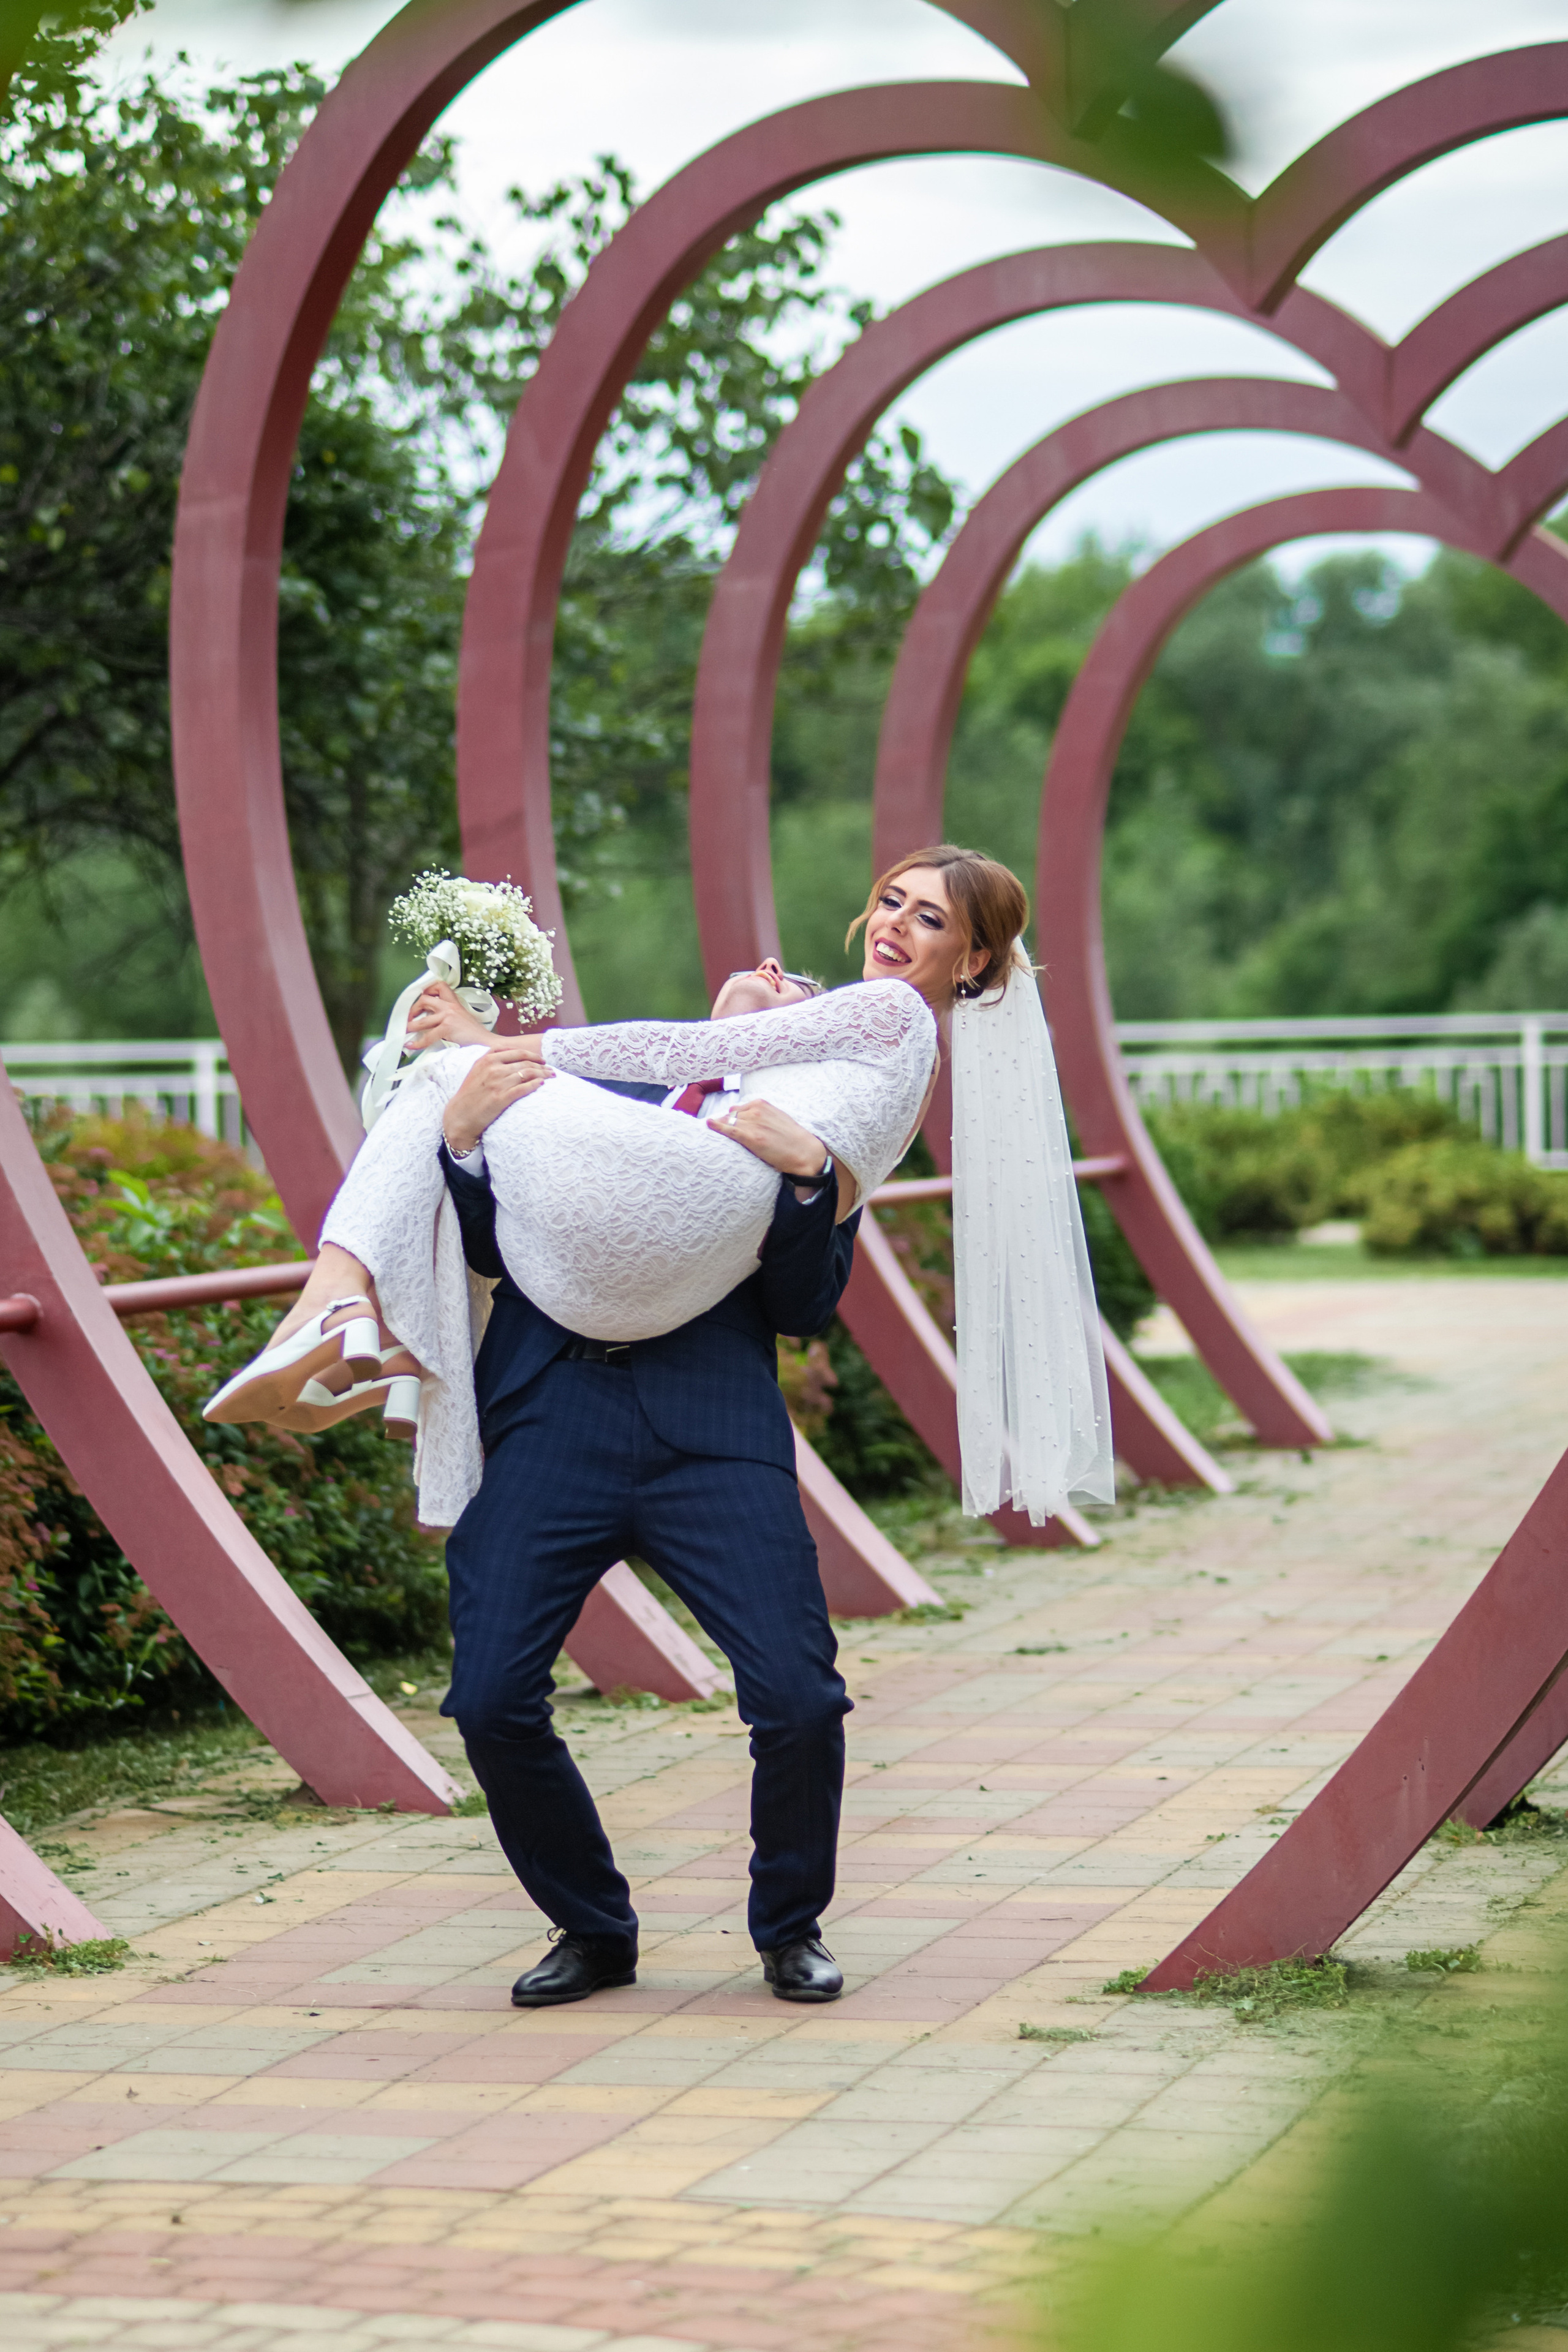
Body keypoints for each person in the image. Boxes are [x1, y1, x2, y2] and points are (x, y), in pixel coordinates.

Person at [206, 847, 1115, 2006]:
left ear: (970, 957)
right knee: (487, 1699)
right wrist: (467, 1140)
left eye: (927, 918)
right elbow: (498, 1246)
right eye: (887, 899)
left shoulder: (845, 1094)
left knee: (797, 1696)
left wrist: (801, 1179)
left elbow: (803, 1303)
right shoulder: (628, 1099)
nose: (892, 925)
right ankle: (592, 1928)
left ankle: (791, 1927)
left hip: (710, 1426)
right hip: (552, 1409)